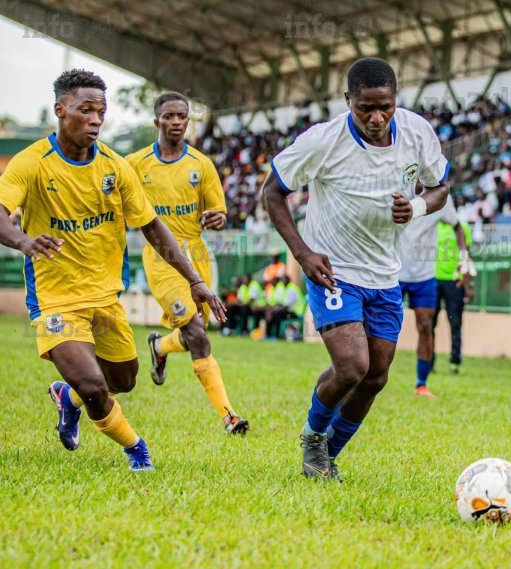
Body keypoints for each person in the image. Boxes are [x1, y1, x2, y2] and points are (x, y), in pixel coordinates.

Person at [0, 70, 226, 470]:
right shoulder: (31, 163)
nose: (95, 120)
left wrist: (195, 281)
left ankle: (66, 397)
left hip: (105, 295)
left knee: (123, 381)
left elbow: (152, 226)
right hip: (55, 298)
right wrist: (23, 241)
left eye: (101, 112)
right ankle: (137, 450)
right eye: (85, 110)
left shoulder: (115, 167)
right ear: (60, 110)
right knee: (92, 384)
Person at [263, 57, 450, 480]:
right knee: (351, 366)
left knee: (376, 376)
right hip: (334, 271)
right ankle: (313, 438)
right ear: (348, 100)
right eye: (366, 108)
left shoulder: (417, 132)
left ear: (395, 99)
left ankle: (327, 456)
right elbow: (272, 192)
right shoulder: (322, 141)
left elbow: (440, 187)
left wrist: (416, 207)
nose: (377, 117)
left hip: (385, 275)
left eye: (385, 106)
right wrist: (303, 253)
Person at [127, 92, 249, 435]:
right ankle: (229, 416)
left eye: (182, 116)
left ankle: (159, 346)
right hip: (161, 257)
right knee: (196, 332)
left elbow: (219, 212)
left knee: (196, 332)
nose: (177, 121)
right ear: (157, 121)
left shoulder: (201, 164)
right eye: (169, 116)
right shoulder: (135, 163)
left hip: (196, 255)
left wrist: (218, 218)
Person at [398, 188, 472, 398]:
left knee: (425, 325)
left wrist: (464, 260)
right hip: (394, 273)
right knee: (383, 326)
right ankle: (369, 377)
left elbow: (457, 227)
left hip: (425, 276)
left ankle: (421, 384)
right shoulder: (397, 187)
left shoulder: (440, 197)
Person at [432, 219, 474, 375]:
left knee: (455, 323)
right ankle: (428, 361)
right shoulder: (432, 225)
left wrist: (469, 285)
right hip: (432, 280)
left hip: (455, 281)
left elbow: (467, 255)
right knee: (429, 323)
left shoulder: (462, 227)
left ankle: (455, 361)